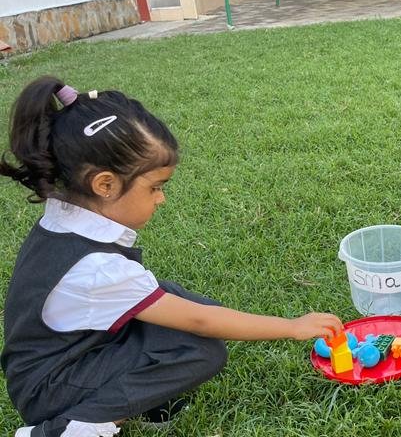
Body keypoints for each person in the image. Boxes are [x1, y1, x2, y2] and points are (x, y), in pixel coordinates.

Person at [0, 77, 343, 436]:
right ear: (105, 184)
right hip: (51, 389)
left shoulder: (66, 216)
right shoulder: (98, 269)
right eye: (155, 187)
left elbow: (192, 312)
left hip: (68, 357)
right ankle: (71, 427)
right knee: (203, 352)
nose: (161, 199)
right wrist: (291, 327)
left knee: (174, 299)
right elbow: (201, 322)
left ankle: (136, 398)